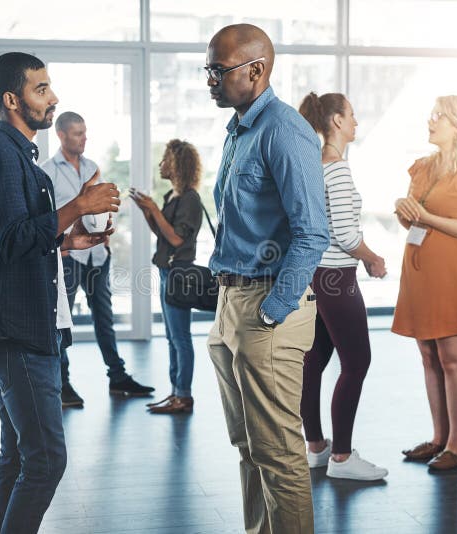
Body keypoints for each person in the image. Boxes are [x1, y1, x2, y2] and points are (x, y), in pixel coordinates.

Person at [0, 52, 119, 534]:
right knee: (46, 460)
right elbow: (10, 240)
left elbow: (19, 234)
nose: (54, 98)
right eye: (41, 89)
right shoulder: (1, 159)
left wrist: (66, 240)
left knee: (18, 458)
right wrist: (78, 206)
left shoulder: (19, 158)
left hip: (28, 326)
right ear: (13, 100)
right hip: (18, 330)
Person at [204, 24, 330, 534]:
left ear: (255, 70)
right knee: (248, 447)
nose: (209, 80)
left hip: (266, 311)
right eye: (208, 69)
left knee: (278, 456)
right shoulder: (240, 130)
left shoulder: (284, 129)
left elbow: (313, 231)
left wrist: (273, 310)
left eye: (219, 70)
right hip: (230, 305)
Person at [393, 95, 457, 471]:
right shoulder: (423, 167)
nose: (430, 121)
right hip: (420, 274)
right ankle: (438, 438)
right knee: (429, 358)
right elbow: (415, 219)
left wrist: (427, 218)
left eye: (438, 116)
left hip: (455, 277)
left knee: (454, 360)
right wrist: (407, 215)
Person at [297, 91, 389, 480]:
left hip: (318, 275)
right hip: (338, 278)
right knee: (357, 362)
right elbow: (347, 234)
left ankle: (316, 447)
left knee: (314, 361)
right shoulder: (336, 167)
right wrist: (372, 257)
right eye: (351, 115)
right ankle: (342, 457)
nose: (356, 122)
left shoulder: (316, 165)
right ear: (335, 120)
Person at [41, 112, 154, 407]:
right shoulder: (47, 172)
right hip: (67, 255)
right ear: (62, 135)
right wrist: (60, 246)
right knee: (60, 322)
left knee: (104, 319)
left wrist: (106, 236)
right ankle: (62, 384)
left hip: (97, 256)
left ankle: (117, 378)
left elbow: (99, 208)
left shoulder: (92, 167)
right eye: (77, 133)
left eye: (85, 132)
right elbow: (47, 218)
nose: (84, 138)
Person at [130, 139, 203, 414]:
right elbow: (161, 232)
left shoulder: (190, 200)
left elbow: (175, 238)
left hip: (179, 273)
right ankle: (175, 393)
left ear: (177, 165)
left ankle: (183, 395)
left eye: (165, 160)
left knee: (180, 338)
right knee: (173, 338)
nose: (161, 164)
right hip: (167, 271)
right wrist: (148, 211)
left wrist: (154, 210)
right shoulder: (172, 197)